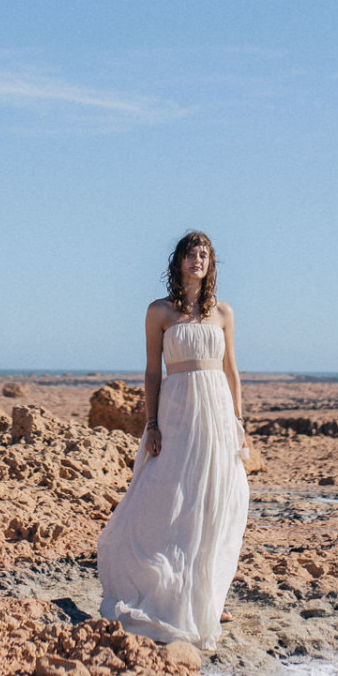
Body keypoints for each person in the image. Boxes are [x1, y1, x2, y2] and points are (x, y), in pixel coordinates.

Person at [97, 231, 251, 648]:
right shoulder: (159, 312)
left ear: (211, 263)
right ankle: (159, 586)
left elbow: (231, 370)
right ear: (179, 261)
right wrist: (152, 423)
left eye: (204, 254)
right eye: (190, 253)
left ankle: (210, 595)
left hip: (217, 412)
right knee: (167, 494)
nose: (197, 260)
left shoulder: (223, 313)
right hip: (177, 411)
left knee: (218, 498)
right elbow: (152, 372)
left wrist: (239, 420)